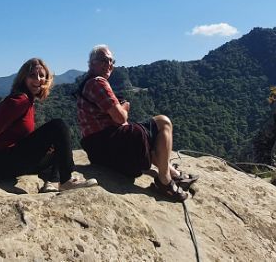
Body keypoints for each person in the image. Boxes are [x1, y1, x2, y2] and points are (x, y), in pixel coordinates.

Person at [0, 58, 97, 193]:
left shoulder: (29, 100)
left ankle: (54, 182)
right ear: (24, 78)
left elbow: (20, 136)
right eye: (32, 75)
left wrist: (45, 146)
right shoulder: (19, 101)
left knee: (59, 147)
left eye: (42, 75)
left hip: (15, 159)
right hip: (6, 163)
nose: (38, 79)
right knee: (59, 125)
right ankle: (66, 180)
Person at [76, 45, 197, 202]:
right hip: (109, 144)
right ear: (92, 63)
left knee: (146, 136)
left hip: (99, 150)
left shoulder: (86, 84)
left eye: (111, 61)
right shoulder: (98, 83)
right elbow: (120, 118)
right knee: (163, 122)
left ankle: (172, 173)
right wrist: (124, 107)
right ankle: (165, 181)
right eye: (104, 60)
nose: (109, 64)